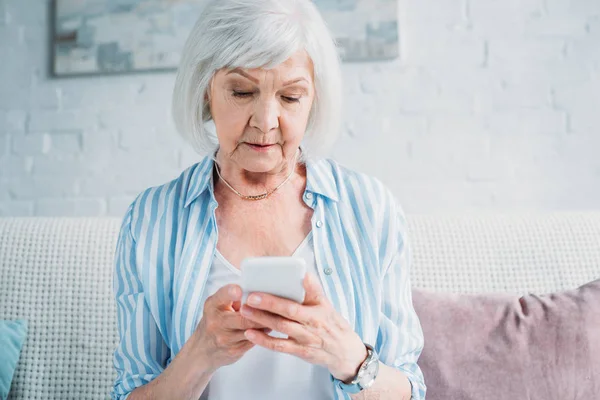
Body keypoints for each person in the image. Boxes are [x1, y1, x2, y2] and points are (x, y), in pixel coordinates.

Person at [110, 0, 426, 399]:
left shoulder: (370, 208)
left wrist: (348, 357)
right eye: (242, 91)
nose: (266, 120)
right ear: (206, 92)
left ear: (314, 100)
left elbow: (410, 391)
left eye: (291, 97)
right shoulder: (151, 221)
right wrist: (200, 354)